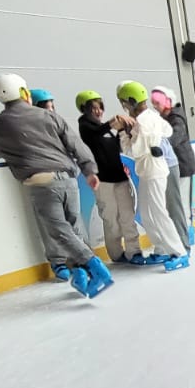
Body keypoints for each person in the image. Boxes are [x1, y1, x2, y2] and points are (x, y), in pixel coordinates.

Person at [0, 75, 113, 298]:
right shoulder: (48, 116)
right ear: (24, 93)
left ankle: (95, 268)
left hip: (42, 183)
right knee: (74, 227)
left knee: (59, 232)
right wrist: (89, 170)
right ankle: (79, 274)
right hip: (69, 179)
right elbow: (75, 143)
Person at [111, 82, 187, 271]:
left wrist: (123, 130)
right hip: (147, 171)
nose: (124, 106)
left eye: (123, 102)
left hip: (154, 171)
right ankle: (161, 248)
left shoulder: (144, 121)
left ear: (130, 101)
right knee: (146, 213)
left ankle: (179, 253)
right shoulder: (148, 117)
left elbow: (134, 150)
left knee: (158, 212)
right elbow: (167, 130)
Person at [76, 91, 141, 263]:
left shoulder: (106, 130)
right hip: (103, 181)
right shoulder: (85, 126)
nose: (98, 111)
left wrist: (122, 130)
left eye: (100, 108)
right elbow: (97, 132)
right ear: (84, 110)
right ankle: (116, 253)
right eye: (93, 108)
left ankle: (134, 251)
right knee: (111, 219)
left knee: (127, 215)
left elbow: (117, 146)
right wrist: (115, 120)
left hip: (120, 177)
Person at [150, 85, 195, 256]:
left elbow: (175, 136)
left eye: (158, 103)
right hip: (171, 168)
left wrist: (160, 145)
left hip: (183, 166)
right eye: (154, 104)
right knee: (174, 205)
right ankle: (181, 236)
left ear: (167, 102)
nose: (155, 107)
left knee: (182, 204)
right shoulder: (164, 118)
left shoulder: (177, 118)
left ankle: (185, 237)